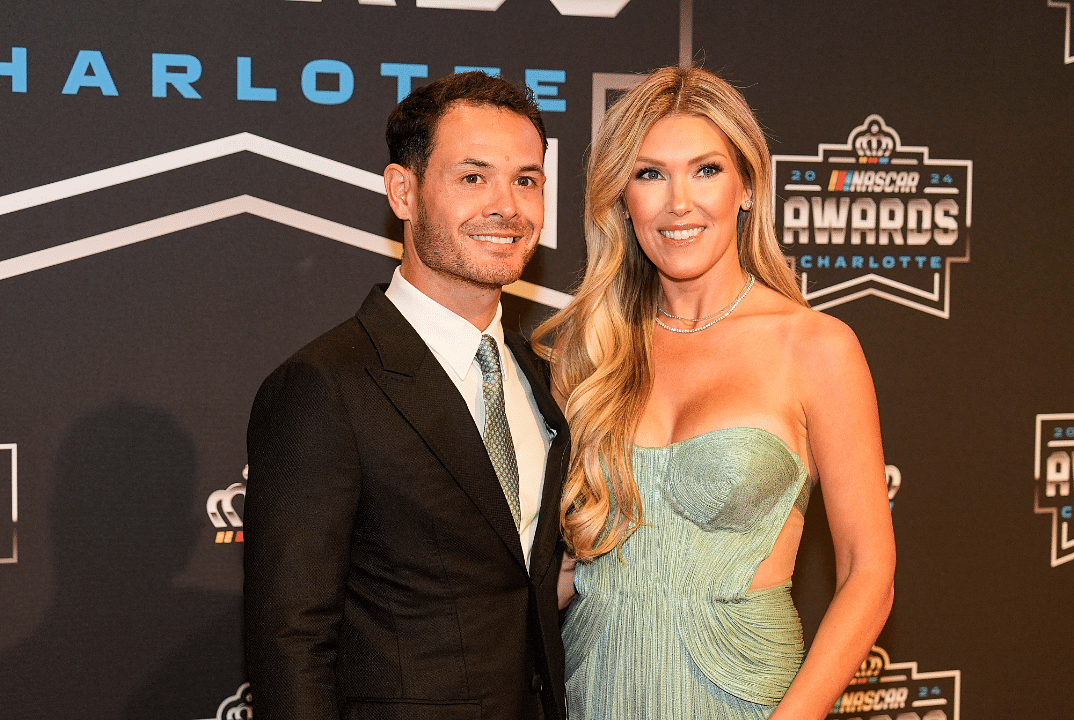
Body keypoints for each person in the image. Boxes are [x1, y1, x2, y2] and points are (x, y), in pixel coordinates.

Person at [535, 67, 896, 719]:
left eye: (705, 170)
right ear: (621, 200)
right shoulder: (586, 350)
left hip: (746, 698)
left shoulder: (814, 346)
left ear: (748, 187)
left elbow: (868, 572)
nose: (679, 203)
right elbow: (561, 570)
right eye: (649, 174)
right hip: (598, 690)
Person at [243, 71, 569, 720]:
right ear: (404, 192)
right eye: (473, 177)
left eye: (526, 179)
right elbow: (291, 642)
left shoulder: (541, 380)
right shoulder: (324, 386)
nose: (507, 206)